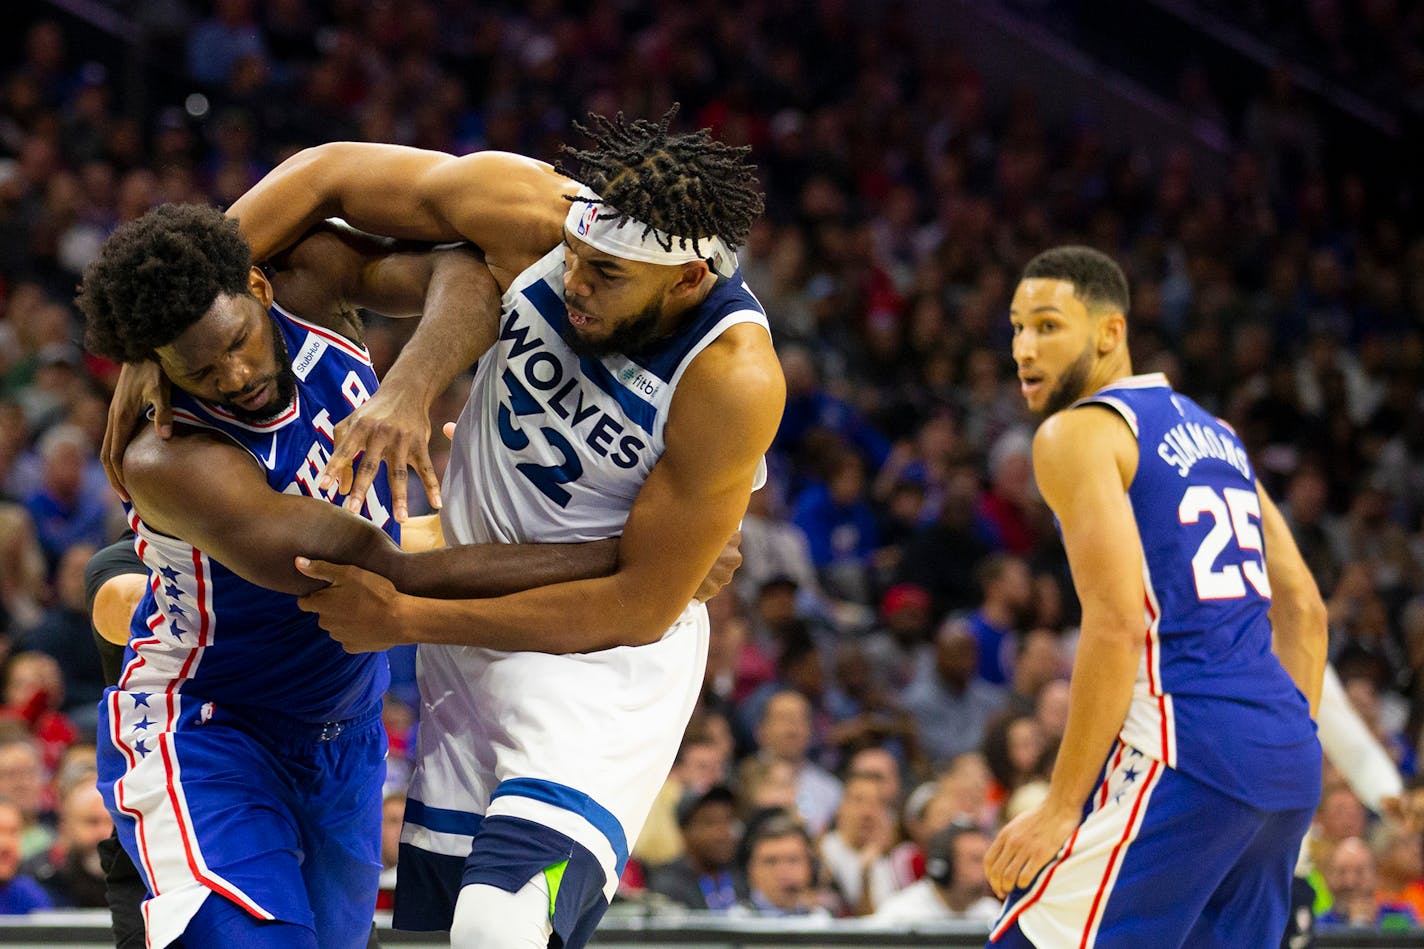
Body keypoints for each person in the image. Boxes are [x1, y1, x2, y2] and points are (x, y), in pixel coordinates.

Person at [156, 109, 784, 947]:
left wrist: (410, 619)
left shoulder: (731, 377)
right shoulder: (535, 216)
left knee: (498, 928)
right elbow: (326, 173)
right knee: (432, 927)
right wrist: (157, 335)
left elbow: (638, 602)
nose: (574, 283)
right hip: (468, 630)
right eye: (576, 257)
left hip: (599, 663)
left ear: (686, 280)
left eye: (606, 274)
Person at [78, 204, 663, 949]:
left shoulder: (312, 281)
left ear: (259, 286)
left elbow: (466, 268)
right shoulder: (171, 458)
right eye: (199, 369)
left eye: (237, 344)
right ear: (157, 367)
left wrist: (408, 389)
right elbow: (388, 567)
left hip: (346, 732)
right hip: (212, 727)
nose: (234, 375)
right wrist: (635, 552)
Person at [984, 246, 1327, 947]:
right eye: (1016, 328)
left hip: (1185, 746)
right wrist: (1278, 742)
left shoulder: (1076, 431)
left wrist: (1060, 804)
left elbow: (1115, 621)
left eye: (1048, 326)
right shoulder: (1218, 435)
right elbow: (1304, 607)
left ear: (1110, 332)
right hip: (1288, 758)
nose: (1024, 348)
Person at [872, 822, 1001, 924]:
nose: (986, 869)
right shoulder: (900, 916)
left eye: (987, 860)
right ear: (943, 867)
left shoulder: (991, 914)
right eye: (976, 860)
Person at [644, 785, 747, 912]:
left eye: (728, 820)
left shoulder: (742, 878)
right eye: (710, 823)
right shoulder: (668, 885)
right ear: (684, 831)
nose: (723, 833)